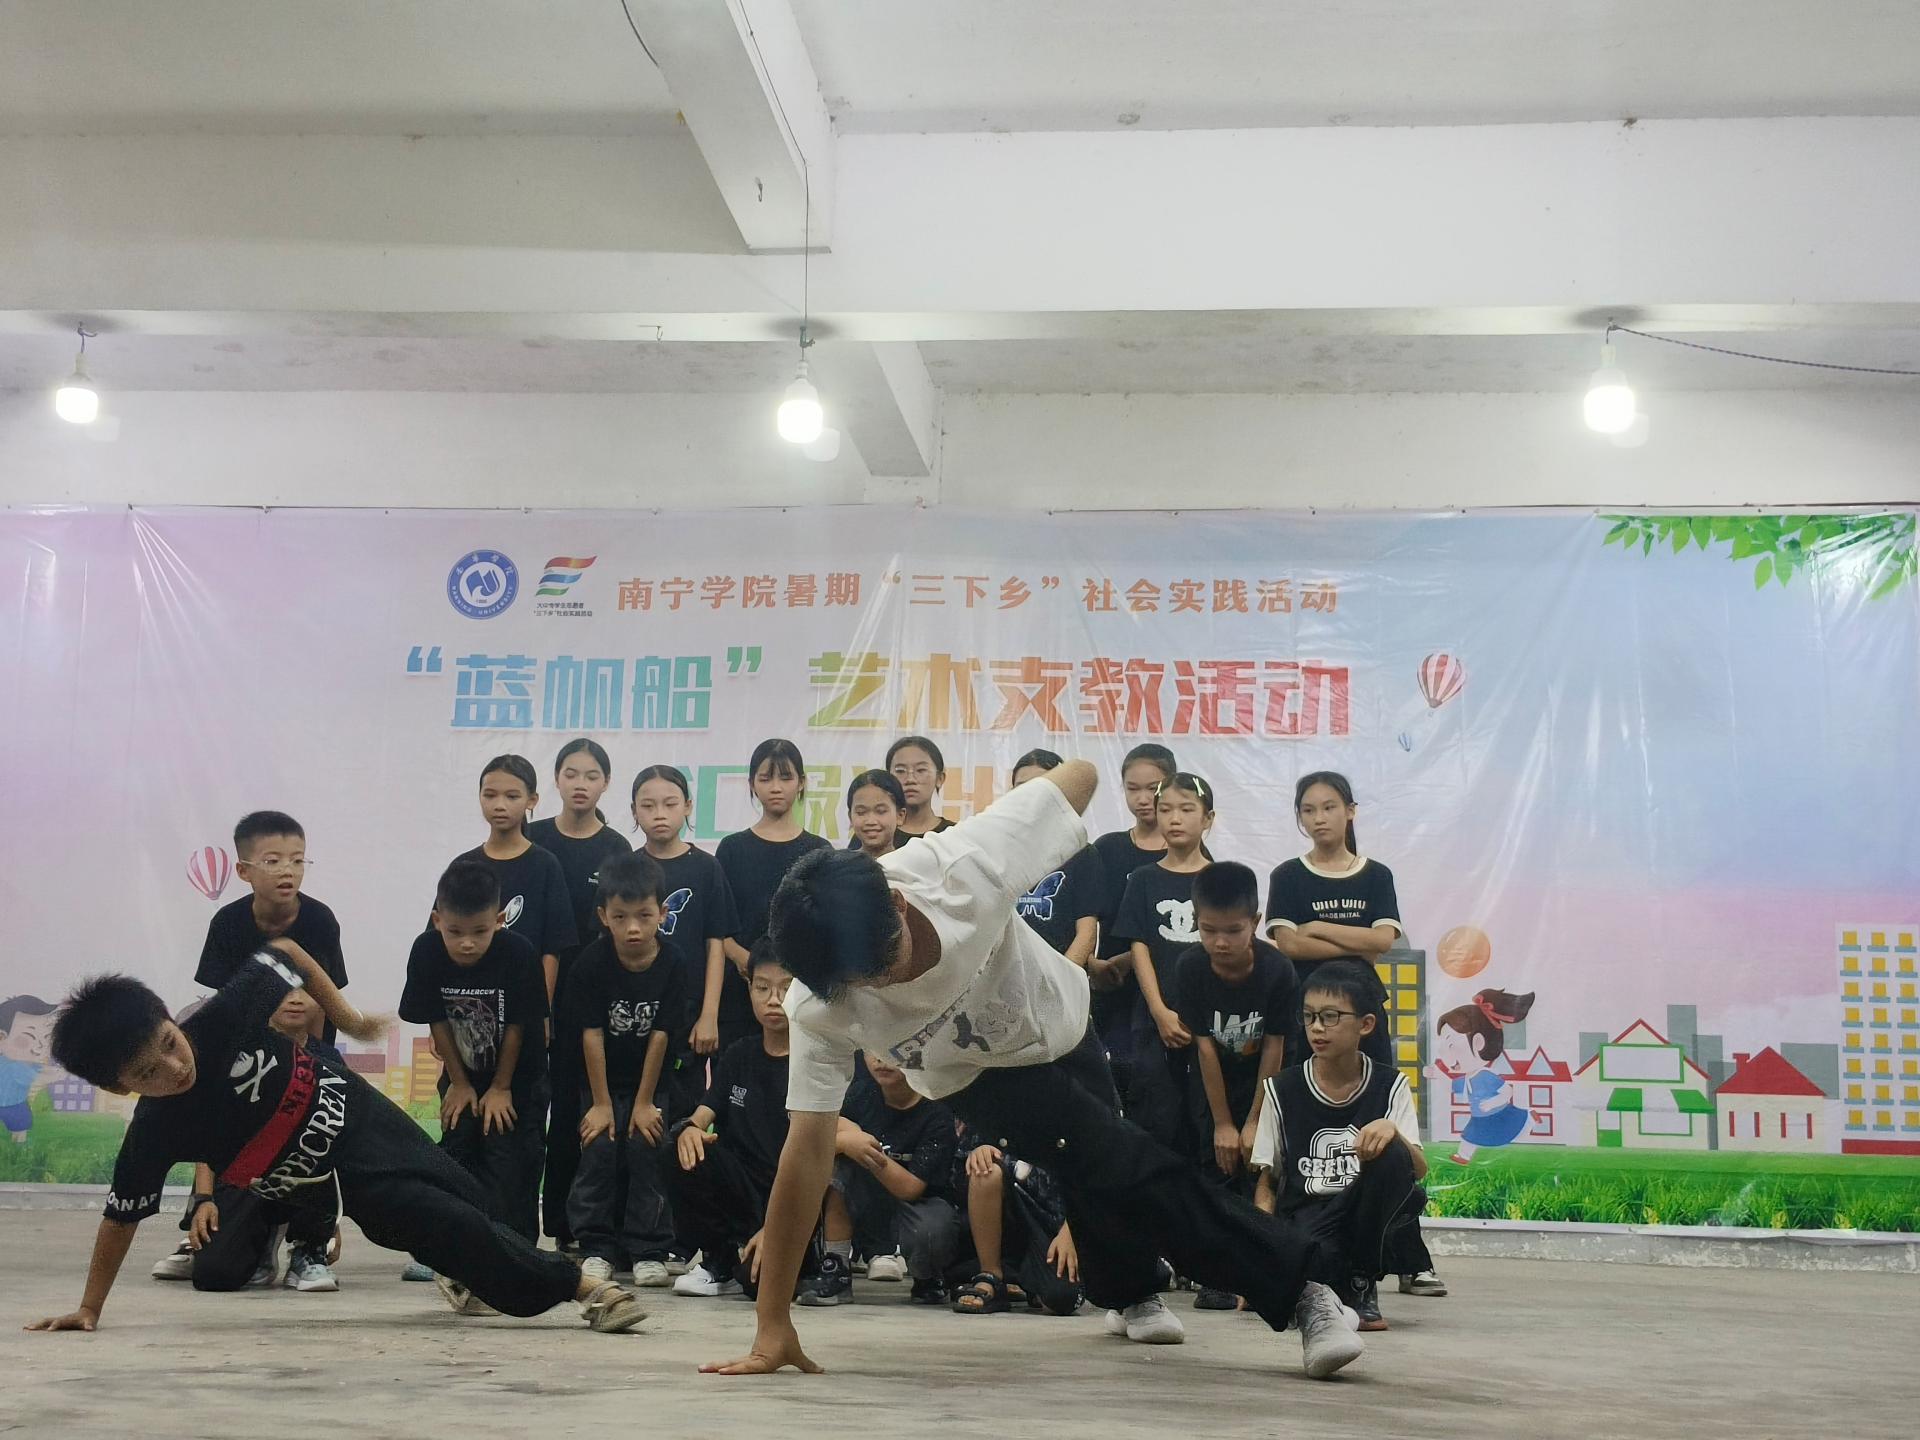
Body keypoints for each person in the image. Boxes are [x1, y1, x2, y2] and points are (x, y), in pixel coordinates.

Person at [705, 759, 1357, 1381]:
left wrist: (1030, 803)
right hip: (975, 1076)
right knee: (1124, 1161)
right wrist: (772, 1323)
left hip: (1061, 1021)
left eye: (881, 967)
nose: (873, 989)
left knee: (1097, 1171)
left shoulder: (966, 864)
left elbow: (1081, 775)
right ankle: (1305, 1291)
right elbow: (806, 1152)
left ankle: (1129, 1292)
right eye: (854, 984)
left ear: (899, 905)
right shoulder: (818, 1005)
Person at [26, 940, 645, 1335]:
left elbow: (287, 952)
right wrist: (90, 1308)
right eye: (146, 1074)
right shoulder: (154, 1132)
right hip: (311, 1182)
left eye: (169, 1044)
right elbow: (119, 1218)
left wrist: (349, 1020)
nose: (174, 1068)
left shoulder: (221, 1017)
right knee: (435, 1217)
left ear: (169, 1016)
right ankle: (583, 1288)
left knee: (461, 1200)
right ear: (120, 1086)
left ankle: (465, 1268)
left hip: (355, 1114)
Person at [1253, 960, 1432, 1342]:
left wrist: (1392, 1131)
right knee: (1310, 1260)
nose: (1317, 1028)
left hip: (1365, 1213)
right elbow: (1268, 1181)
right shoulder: (1282, 1089)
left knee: (1392, 1155)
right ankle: (1326, 1285)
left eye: (1331, 1017)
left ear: (1365, 1024)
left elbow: (1417, 1170)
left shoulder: (1390, 1085)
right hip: (1309, 1215)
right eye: (1309, 1016)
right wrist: (1257, 1254)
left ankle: (1361, 1281)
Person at [149, 987, 344, 1292]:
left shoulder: (330, 1060)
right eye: (285, 991)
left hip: (300, 1173)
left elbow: (341, 1137)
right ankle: (238, 1242)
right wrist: (204, 1200)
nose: (295, 999)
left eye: (305, 992)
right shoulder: (238, 1051)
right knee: (214, 1275)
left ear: (320, 1002)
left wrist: (333, 1221)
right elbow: (210, 1136)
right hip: (246, 1175)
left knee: (319, 1143)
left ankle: (309, 1250)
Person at [399, 860, 550, 1243]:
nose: (467, 943)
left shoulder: (519, 952)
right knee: (456, 1151)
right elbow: (436, 1019)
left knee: (509, 1160)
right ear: (437, 921)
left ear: (499, 920)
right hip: (461, 1073)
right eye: (455, 932)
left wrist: (501, 1087)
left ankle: (516, 1249)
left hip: (518, 1080)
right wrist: (459, 1082)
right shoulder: (426, 950)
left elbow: (519, 1025)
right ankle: (453, 1246)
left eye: (480, 932)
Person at [1173, 861, 1298, 1310]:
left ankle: (1261, 1268)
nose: (1220, 942)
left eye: (1233, 931)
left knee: (1259, 1169)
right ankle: (1219, 1275)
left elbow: (1274, 1048)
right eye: (1208, 931)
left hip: (1266, 1085)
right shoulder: (1190, 968)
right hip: (1213, 1086)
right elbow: (1204, 1048)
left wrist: (1254, 1120)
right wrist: (1224, 1124)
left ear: (1256, 923)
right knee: (1216, 1169)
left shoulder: (1278, 970)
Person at [527, 738, 632, 1250]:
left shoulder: (616, 848)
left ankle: (573, 1226)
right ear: (556, 780)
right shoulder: (533, 837)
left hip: (592, 995)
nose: (580, 784)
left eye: (591, 776)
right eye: (571, 774)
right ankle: (521, 1224)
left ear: (606, 783)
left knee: (577, 1109)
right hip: (532, 992)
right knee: (532, 1111)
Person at [565, 853, 687, 1288]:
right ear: (603, 916)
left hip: (651, 1085)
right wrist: (600, 1104)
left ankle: (648, 1250)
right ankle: (596, 1247)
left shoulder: (674, 963)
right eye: (620, 917)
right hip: (600, 1083)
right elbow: (591, 1035)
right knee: (598, 1149)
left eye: (644, 916)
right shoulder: (591, 963)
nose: (633, 928)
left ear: (663, 913)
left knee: (647, 1149)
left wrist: (644, 1102)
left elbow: (662, 1036)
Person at [667, 941, 805, 1300]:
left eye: (786, 988)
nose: (773, 1000)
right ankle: (718, 1260)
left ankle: (784, 1259)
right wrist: (689, 1131)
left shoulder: (814, 1061)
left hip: (793, 1196)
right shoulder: (739, 1054)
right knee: (680, 1146)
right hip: (743, 1189)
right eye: (763, 988)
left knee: (758, 1285)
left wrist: (776, 1225)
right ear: (749, 989)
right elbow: (702, 1114)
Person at [1264, 771, 1398, 1071]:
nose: (1319, 818)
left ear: (1350, 811)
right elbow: (1290, 945)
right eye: (1308, 810)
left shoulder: (1376, 875)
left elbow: (1383, 940)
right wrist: (1360, 946)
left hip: (1362, 1004)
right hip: (1306, 1008)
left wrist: (1318, 928)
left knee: (1373, 1086)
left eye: (1329, 807)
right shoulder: (1287, 876)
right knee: (1303, 1087)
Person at [808, 1052, 962, 1307]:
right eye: (874, 1050)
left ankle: (928, 1276)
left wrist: (866, 1147)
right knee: (838, 1166)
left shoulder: (937, 1111)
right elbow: (819, 1141)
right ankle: (836, 1267)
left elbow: (911, 1188)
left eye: (890, 1050)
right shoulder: (860, 1094)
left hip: (918, 1207)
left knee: (932, 1229)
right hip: (865, 1195)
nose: (881, 1059)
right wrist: (845, 1141)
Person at [1110, 772, 1214, 1146]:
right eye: (1166, 809)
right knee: (1156, 1116)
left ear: (1208, 818)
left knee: (1205, 1115)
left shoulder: (1217, 877)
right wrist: (1158, 1010)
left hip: (1209, 1016)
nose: (1174, 818)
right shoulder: (1142, 878)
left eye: (1186, 809)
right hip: (1154, 1017)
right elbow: (1139, 946)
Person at [631, 764, 741, 1107]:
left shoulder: (706, 868)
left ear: (688, 806)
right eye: (648, 805)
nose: (659, 814)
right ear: (634, 811)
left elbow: (715, 944)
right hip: (636, 1010)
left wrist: (709, 1014)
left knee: (682, 1111)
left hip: (689, 1013)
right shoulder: (626, 868)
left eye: (670, 803)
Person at [715, 739, 832, 1052]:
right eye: (766, 778)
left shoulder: (818, 850)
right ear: (752, 784)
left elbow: (822, 925)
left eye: (786, 777)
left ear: (801, 783)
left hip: (799, 991)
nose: (776, 787)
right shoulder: (732, 848)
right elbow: (717, 923)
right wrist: (745, 960)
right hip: (739, 990)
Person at [195, 811, 347, 1044]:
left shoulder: (320, 920)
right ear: (243, 871)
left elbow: (325, 1000)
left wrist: (316, 1058)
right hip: (246, 1047)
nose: (287, 871)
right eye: (272, 861)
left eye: (297, 861)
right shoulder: (227, 922)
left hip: (308, 1046)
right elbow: (224, 1003)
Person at [1087, 744, 1180, 1093]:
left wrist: (1131, 960)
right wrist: (1091, 963)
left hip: (1166, 990)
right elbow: (1084, 915)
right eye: (1133, 788)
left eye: (1153, 788)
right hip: (1109, 986)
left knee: (1158, 1086)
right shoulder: (1107, 849)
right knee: (1111, 1085)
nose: (1143, 799)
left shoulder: (1186, 852)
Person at [455, 755, 577, 1006]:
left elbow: (552, 949)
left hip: (524, 1002)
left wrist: (542, 1010)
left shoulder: (545, 865)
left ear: (532, 800)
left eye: (512, 796)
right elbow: (443, 937)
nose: (500, 805)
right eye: (490, 795)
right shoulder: (464, 866)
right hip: (470, 1001)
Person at [949, 1127, 1081, 1318]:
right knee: (985, 1169)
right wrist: (977, 1153)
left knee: (1061, 1298)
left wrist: (1073, 1229)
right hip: (1009, 1212)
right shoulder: (989, 1111)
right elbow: (955, 1183)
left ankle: (1027, 1279)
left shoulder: (1081, 1112)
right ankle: (991, 1276)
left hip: (1062, 1222)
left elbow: (1098, 1176)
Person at [1008, 750, 1105, 972]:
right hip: (1004, 980)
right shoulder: (999, 850)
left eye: (1041, 787)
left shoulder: (1082, 853)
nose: (1030, 796)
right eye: (1021, 788)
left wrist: (1059, 982)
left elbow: (1087, 934)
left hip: (1060, 976)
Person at [0, 994, 56, 1144]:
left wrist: (50, 1071)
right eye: (29, 1037)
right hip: (14, 1104)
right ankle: (18, 1145)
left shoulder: (25, 1063)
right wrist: (57, 1075)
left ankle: (17, 1145)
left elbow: (40, 1070)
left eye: (46, 1038)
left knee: (19, 1127)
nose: (39, 1047)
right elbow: (37, 1078)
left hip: (15, 1102)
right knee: (19, 1129)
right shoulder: (16, 1065)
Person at [845, 769, 906, 860]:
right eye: (861, 812)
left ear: (900, 816)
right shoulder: (841, 866)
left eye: (881, 811)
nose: (871, 821)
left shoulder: (909, 865)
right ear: (850, 818)